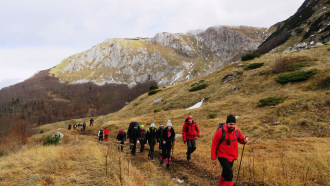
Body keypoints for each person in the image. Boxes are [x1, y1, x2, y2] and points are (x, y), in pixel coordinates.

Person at [211, 115, 248, 186]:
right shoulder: (220, 132)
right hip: (222, 155)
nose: (232, 126)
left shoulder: (236, 131)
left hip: (232, 156)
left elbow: (241, 140)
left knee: (225, 173)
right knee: (229, 175)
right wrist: (213, 158)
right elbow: (214, 144)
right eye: (230, 124)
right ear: (227, 123)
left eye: (234, 124)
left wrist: (244, 140)